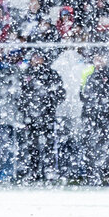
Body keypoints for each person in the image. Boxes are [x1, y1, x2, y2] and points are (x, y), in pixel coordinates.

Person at [15, 50, 66, 182]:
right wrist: (25, 108)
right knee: (32, 146)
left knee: (49, 145)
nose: (36, 60)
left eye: (39, 57)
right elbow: (21, 95)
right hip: (30, 117)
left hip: (47, 115)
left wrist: (48, 104)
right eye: (34, 58)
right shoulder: (26, 75)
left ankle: (49, 171)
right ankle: (34, 171)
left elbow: (60, 93)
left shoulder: (51, 74)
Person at [79, 51, 109, 184]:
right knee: (91, 148)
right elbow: (82, 96)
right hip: (92, 119)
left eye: (101, 57)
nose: (98, 60)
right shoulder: (88, 75)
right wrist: (89, 115)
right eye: (96, 58)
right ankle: (93, 176)